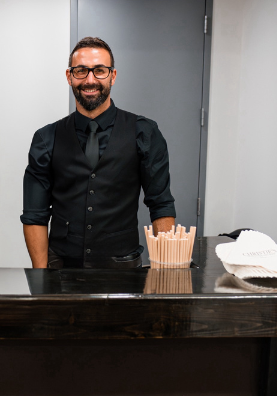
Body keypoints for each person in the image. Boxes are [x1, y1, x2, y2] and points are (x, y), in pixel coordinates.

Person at [20, 36, 175, 268]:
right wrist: (41, 276)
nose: (90, 79)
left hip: (123, 265)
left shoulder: (144, 132)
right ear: (69, 76)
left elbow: (161, 204)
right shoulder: (46, 138)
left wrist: (167, 269)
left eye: (99, 70)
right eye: (81, 70)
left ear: (112, 76)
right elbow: (35, 215)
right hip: (61, 266)